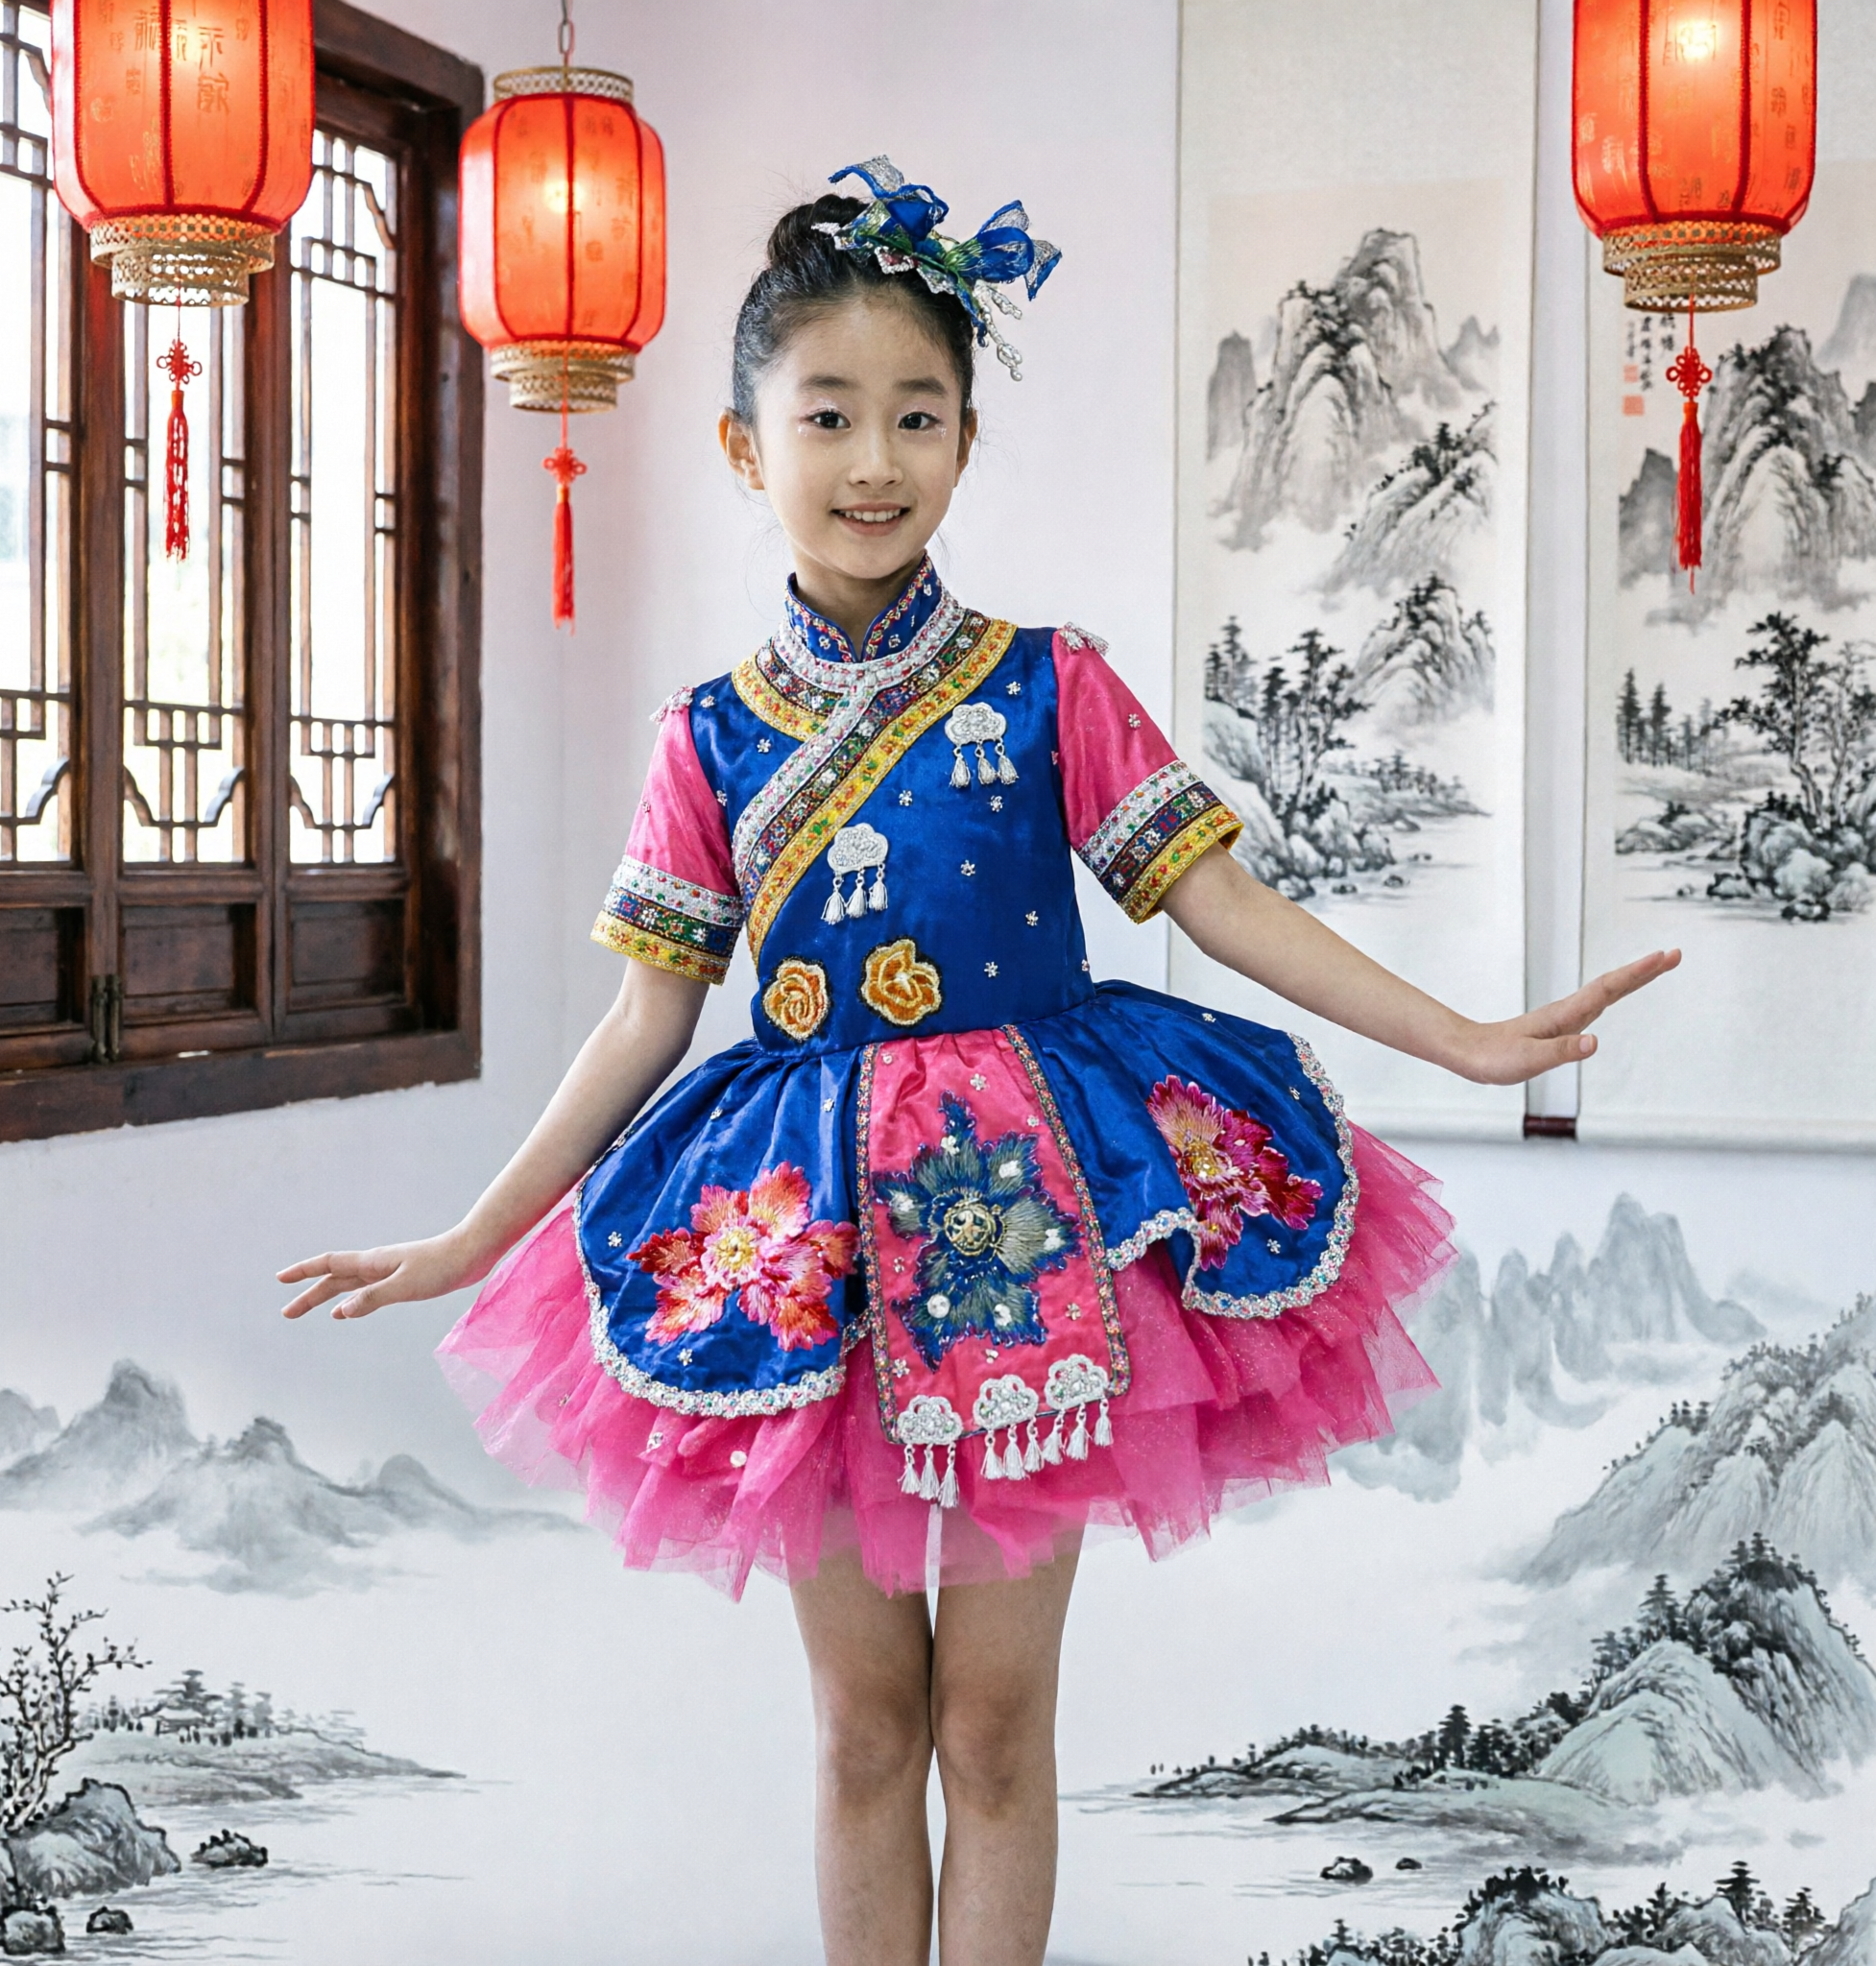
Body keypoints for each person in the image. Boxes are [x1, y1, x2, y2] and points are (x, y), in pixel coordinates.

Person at [278, 157, 1676, 1966]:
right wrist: (471, 1241)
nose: (874, 460)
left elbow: (1224, 908)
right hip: (809, 1248)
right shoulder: (703, 739)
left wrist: (1470, 1041)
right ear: (739, 445)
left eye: (919, 416)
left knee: (995, 1732)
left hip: (1036, 1227)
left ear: (963, 443)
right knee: (864, 1732)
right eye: (829, 414)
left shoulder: (1047, 684)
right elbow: (646, 1019)